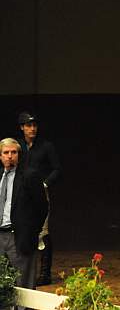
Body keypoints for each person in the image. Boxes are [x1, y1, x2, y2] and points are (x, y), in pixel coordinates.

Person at [0, 138, 48, 310]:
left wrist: (31, 232)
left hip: (19, 236)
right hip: (0, 235)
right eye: (6, 153)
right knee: (2, 282)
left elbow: (42, 207)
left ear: (19, 155)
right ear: (0, 155)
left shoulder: (30, 175)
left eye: (14, 152)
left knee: (25, 283)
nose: (10, 156)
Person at [16, 112, 61, 286]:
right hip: (20, 194)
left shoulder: (46, 146)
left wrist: (45, 184)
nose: (32, 128)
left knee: (43, 230)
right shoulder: (18, 146)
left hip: (40, 193)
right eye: (28, 125)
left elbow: (57, 169)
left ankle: (45, 273)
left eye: (34, 125)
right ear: (22, 127)